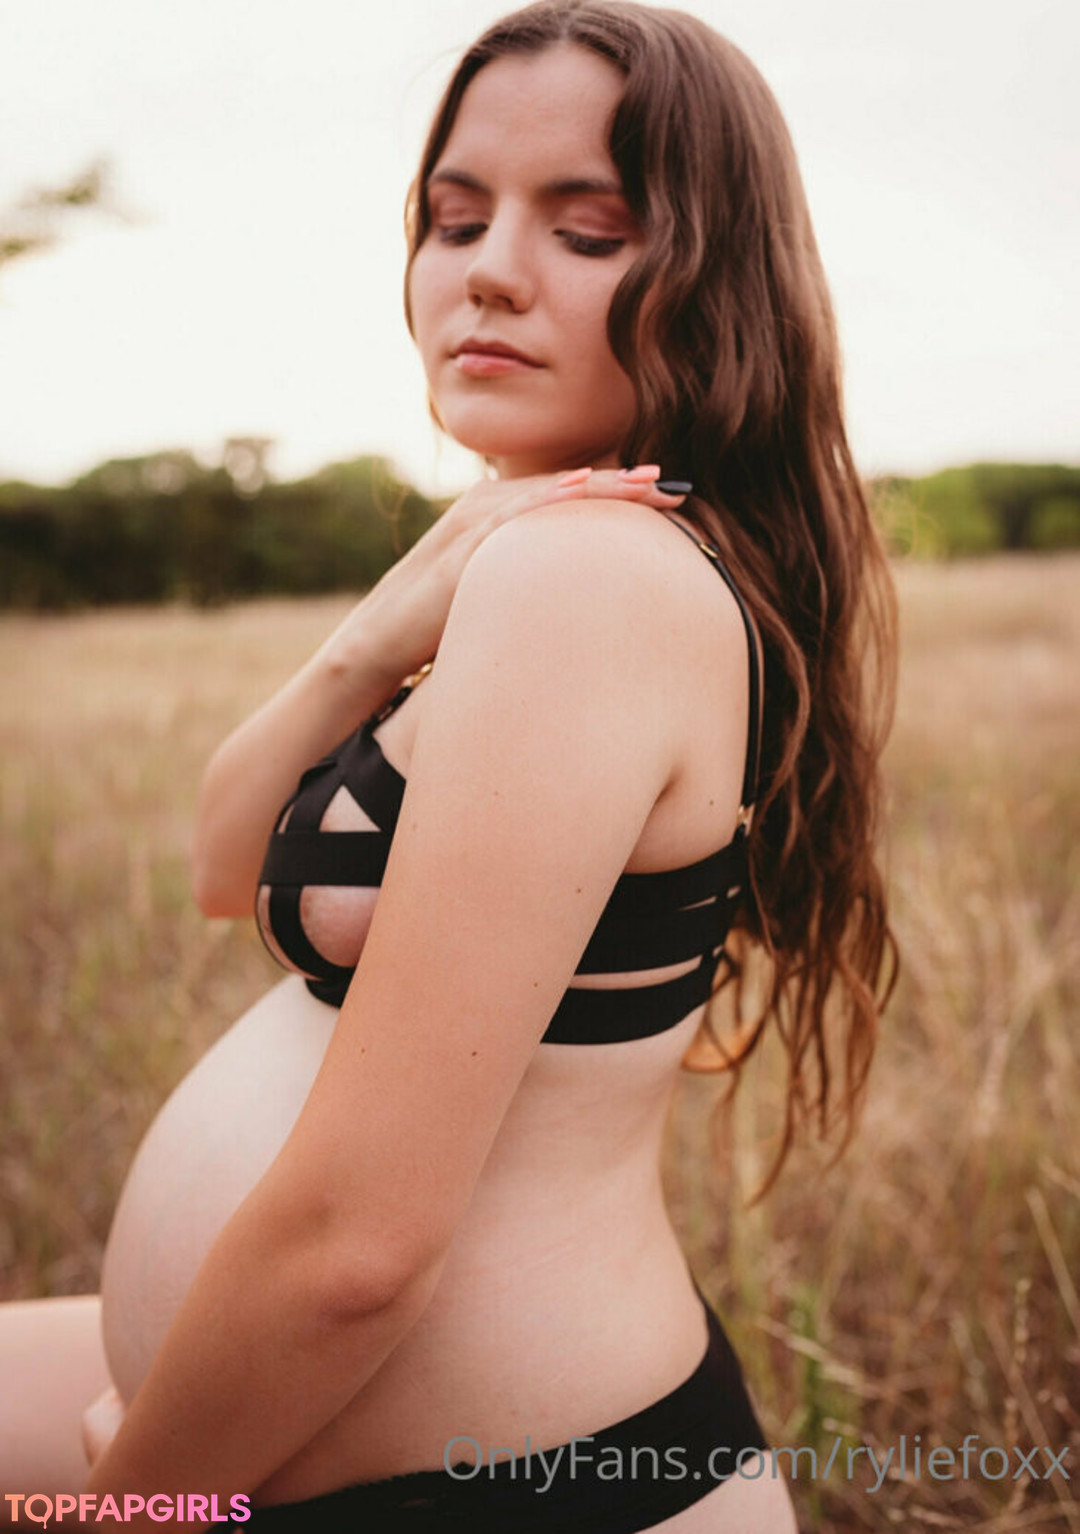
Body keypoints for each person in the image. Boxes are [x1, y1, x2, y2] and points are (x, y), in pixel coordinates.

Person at [0, 2, 898, 1529]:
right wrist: (377, 627)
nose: (487, 269)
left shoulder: (591, 584)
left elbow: (360, 1250)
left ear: (717, 282)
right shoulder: (529, 553)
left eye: (587, 230)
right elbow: (223, 866)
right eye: (457, 217)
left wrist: (125, 1515)